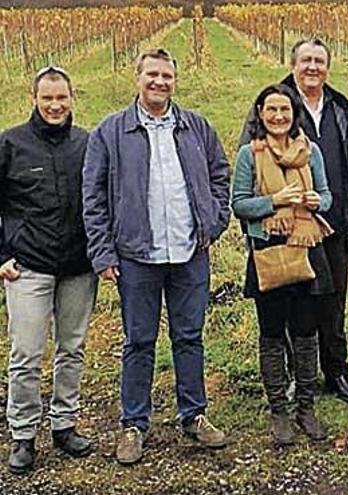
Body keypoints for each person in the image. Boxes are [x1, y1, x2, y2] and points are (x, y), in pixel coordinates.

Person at [82, 49, 230, 465]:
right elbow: (92, 198)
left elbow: (219, 174)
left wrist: (213, 222)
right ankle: (133, 423)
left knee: (189, 337)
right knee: (139, 341)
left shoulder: (195, 126)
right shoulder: (111, 132)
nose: (159, 82)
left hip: (189, 252)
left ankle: (194, 414)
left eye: (167, 75)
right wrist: (103, 252)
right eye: (152, 74)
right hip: (135, 256)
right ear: (137, 77)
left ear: (174, 80)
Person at [238, 38, 348, 405]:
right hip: (277, 233)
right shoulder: (272, 106)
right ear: (293, 64)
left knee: (331, 302)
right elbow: (247, 183)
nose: (312, 67)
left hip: (326, 226)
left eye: (319, 61)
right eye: (306, 60)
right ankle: (291, 378)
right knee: (287, 310)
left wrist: (327, 205)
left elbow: (342, 172)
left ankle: (335, 370)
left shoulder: (340, 106)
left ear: (328, 66)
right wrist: (271, 207)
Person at [1, 67, 97, 474]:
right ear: (34, 98)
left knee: (71, 348)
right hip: (28, 267)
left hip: (79, 266)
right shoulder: (10, 143)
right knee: (26, 353)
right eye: (47, 99)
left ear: (72, 97)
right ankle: (23, 434)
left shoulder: (88, 144)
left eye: (62, 98)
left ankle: (64, 423)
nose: (55, 106)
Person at [233, 84, 333, 444]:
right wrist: (274, 200)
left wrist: (313, 200)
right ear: (260, 113)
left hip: (306, 249)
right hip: (269, 252)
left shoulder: (311, 151)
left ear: (295, 114)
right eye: (271, 110)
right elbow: (239, 204)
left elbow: (327, 196)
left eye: (285, 110)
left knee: (307, 333)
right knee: (272, 333)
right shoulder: (250, 154)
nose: (278, 116)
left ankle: (306, 408)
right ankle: (279, 411)